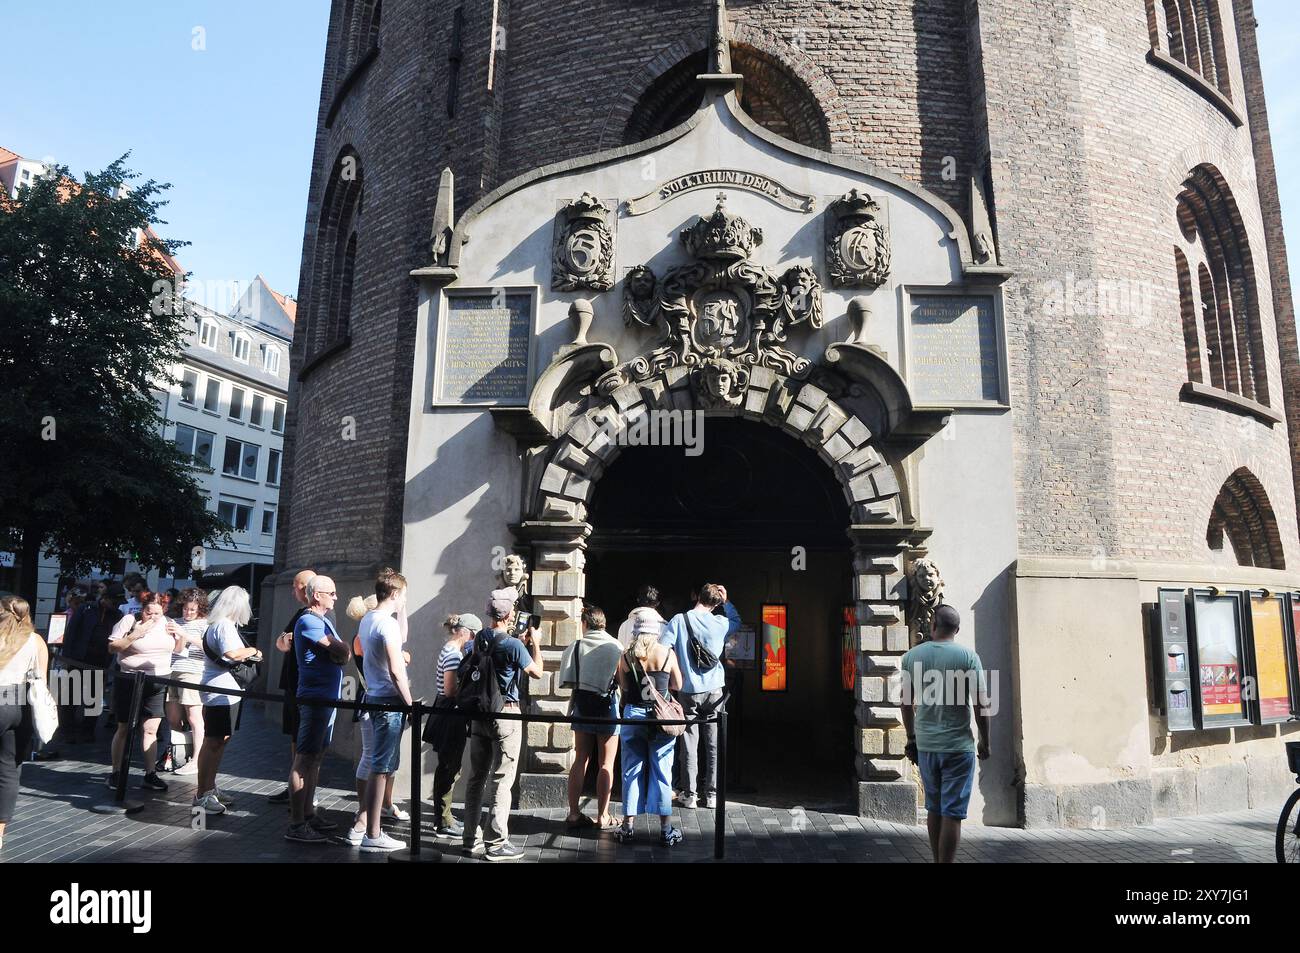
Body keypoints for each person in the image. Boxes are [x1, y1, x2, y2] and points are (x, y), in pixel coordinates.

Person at [900, 604, 991, 864]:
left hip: (927, 746)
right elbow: (981, 704)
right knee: (952, 813)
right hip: (958, 747)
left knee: (934, 808)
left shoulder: (912, 657)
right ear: (957, 630)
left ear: (933, 625)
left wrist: (911, 738)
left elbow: (906, 703)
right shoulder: (969, 657)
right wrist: (986, 741)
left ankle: (936, 859)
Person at [461, 588, 543, 862]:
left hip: (479, 714)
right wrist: (535, 643)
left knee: (475, 778)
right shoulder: (514, 645)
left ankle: (469, 839)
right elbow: (537, 672)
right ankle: (496, 843)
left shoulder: (480, 638)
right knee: (502, 780)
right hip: (505, 714)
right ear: (509, 615)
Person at [659, 582, 740, 809]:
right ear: (716, 604)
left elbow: (663, 649)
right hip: (714, 690)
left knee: (688, 743)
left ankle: (690, 794)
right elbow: (737, 622)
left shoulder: (678, 620)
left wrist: (674, 677)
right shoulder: (721, 622)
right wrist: (728, 602)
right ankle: (712, 794)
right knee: (712, 743)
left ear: (697, 597)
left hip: (688, 689)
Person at [349, 569, 413, 852]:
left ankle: (372, 830)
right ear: (395, 593)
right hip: (388, 702)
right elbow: (398, 671)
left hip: (376, 698)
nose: (404, 601)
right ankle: (373, 835)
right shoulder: (383, 624)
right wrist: (411, 704)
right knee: (380, 767)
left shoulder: (369, 620)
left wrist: (403, 609)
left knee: (380, 766)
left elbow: (401, 636)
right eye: (403, 596)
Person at [287, 574, 350, 843]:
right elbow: (341, 650)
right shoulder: (309, 620)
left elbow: (341, 652)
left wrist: (341, 650)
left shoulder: (323, 621)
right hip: (315, 699)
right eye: (332, 593)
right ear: (317, 596)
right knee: (304, 759)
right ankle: (297, 824)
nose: (336, 597)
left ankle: (309, 814)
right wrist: (342, 649)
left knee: (316, 758)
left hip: (326, 699)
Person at [193, 587, 262, 815]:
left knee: (219, 740)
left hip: (225, 690)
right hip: (219, 691)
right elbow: (232, 654)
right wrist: (252, 650)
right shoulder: (223, 625)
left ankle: (209, 788)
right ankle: (202, 794)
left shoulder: (221, 624)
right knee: (213, 742)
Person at [616, 623, 683, 846]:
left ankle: (627, 827)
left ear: (636, 632)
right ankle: (665, 829)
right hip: (660, 719)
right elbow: (678, 684)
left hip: (633, 715)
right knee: (663, 771)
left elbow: (623, 689)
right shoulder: (667, 654)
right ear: (656, 633)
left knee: (631, 771)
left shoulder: (626, 657)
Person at [559, 604, 623, 828]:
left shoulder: (576, 646)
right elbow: (623, 681)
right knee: (606, 763)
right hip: (608, 709)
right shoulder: (616, 646)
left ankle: (574, 813)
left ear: (585, 623)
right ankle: (603, 816)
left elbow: (566, 679)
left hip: (583, 707)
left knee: (580, 759)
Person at [106, 591, 177, 792]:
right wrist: (135, 634)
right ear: (142, 609)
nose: (152, 617)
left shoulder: (168, 622)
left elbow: (178, 649)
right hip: (130, 680)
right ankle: (116, 772)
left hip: (158, 680)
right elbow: (112, 647)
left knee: (151, 729)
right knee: (124, 727)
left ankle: (149, 773)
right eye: (148, 612)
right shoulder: (130, 620)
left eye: (157, 613)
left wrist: (180, 635)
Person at [0, 597, 49, 853]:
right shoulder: (36, 640)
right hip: (22, 704)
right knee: (10, 768)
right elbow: (42, 679)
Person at [268, 568, 315, 805]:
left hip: (301, 686)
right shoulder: (300, 614)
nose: (293, 590)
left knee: (302, 740)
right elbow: (280, 642)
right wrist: (285, 641)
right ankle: (294, 787)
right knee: (296, 738)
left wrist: (286, 642)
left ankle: (301, 794)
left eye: (296, 586)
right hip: (293, 684)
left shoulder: (311, 616)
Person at [430, 612, 477, 839]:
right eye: (474, 636)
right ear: (466, 633)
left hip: (447, 713)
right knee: (450, 766)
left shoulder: (451, 650)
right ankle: (444, 821)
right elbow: (450, 690)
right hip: (450, 714)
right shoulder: (453, 654)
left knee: (449, 766)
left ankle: (444, 815)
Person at [166, 589, 209, 777]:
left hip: (193, 672)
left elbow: (209, 648)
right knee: (173, 717)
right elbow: (174, 648)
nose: (188, 613)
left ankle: (197, 759)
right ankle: (179, 754)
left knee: (194, 717)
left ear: (200, 608)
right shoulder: (176, 622)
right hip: (172, 670)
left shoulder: (204, 624)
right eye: (185, 609)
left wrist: (187, 635)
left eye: (192, 609)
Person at [616, 584, 665, 648]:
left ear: (638, 600)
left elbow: (620, 652)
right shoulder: (663, 626)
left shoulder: (624, 625)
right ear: (658, 603)